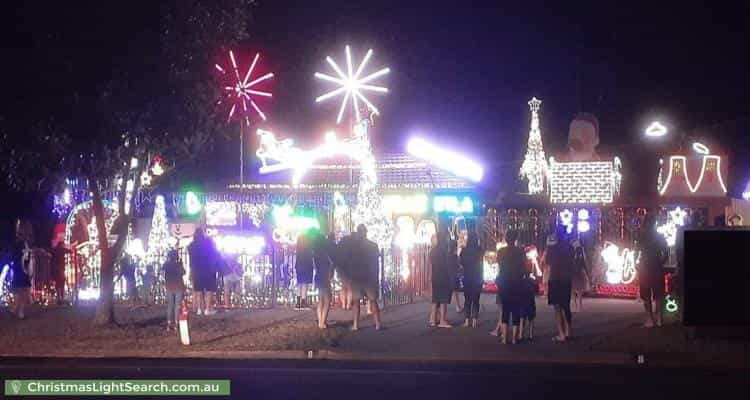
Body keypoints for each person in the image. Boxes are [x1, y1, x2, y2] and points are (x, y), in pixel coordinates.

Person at [545, 226, 576, 342]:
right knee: (566, 306)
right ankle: (569, 331)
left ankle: (561, 333)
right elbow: (573, 262)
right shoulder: (570, 248)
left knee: (557, 307)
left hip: (555, 279)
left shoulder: (552, 248)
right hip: (566, 279)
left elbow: (547, 263)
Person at [350, 224, 382, 331]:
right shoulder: (373, 245)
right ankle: (377, 324)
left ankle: (355, 324)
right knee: (373, 300)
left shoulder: (354, 247)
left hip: (357, 277)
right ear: (366, 232)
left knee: (356, 301)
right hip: (369, 277)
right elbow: (376, 262)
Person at [638, 213, 669, 328]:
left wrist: (638, 264)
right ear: (654, 223)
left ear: (645, 223)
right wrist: (661, 262)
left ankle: (650, 320)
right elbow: (666, 252)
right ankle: (660, 319)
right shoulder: (660, 236)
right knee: (659, 294)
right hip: (656, 266)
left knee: (646, 295)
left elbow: (636, 251)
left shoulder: (641, 236)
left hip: (645, 266)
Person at [497, 230, 525, 344]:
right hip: (517, 282)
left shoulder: (501, 251)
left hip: (504, 282)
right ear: (515, 239)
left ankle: (504, 338)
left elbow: (499, 265)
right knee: (516, 310)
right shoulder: (520, 251)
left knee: (505, 310)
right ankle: (514, 338)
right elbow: (523, 266)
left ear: (506, 238)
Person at [189, 228, 219, 316]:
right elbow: (214, 254)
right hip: (208, 269)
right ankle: (207, 308)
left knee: (198, 290)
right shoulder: (207, 244)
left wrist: (191, 271)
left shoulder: (192, 246)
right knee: (208, 290)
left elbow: (191, 261)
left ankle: (199, 309)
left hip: (197, 270)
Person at [429, 230, 454, 328]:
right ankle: (442, 320)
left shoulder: (433, 251)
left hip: (435, 276)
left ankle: (433, 319)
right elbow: (447, 265)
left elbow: (431, 265)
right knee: (443, 300)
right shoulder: (444, 251)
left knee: (435, 299)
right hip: (443, 276)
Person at [10, 220, 33, 319]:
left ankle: (19, 309)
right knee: (20, 289)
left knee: (24, 289)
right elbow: (15, 255)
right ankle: (17, 309)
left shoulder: (26, 243)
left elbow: (28, 255)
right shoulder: (17, 244)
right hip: (19, 268)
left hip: (25, 269)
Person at [459, 231, 483, 328]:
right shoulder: (479, 250)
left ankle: (466, 320)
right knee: (476, 299)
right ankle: (474, 321)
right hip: (477, 276)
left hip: (467, 276)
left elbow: (461, 262)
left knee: (467, 298)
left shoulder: (464, 251)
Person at [314, 232, 334, 329]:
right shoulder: (325, 253)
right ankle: (322, 322)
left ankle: (320, 322)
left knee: (320, 300)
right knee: (327, 300)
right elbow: (330, 264)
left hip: (318, 275)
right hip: (324, 276)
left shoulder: (315, 253)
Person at [164, 249, 185, 331]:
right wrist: (181, 264)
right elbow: (183, 272)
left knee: (170, 305)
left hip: (169, 286)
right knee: (177, 306)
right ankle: (176, 323)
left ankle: (169, 324)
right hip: (178, 286)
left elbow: (163, 274)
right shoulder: (178, 264)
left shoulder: (166, 265)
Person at [294, 233, 315, 310]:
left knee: (300, 283)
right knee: (305, 284)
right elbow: (311, 257)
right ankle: (303, 301)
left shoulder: (298, 248)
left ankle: (298, 302)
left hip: (299, 266)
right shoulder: (308, 248)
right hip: (307, 266)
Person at [571, 239, 590, 312]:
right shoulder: (581, 251)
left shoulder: (574, 251)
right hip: (579, 271)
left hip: (575, 272)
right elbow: (584, 262)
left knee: (574, 290)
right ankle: (579, 306)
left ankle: (576, 306)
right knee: (578, 290)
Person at [50, 241, 69, 305]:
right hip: (60, 268)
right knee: (62, 283)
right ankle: (62, 297)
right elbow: (69, 251)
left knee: (58, 284)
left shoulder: (55, 250)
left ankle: (59, 298)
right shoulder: (61, 250)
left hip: (55, 269)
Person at [449, 237, 463, 313]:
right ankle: (457, 306)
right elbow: (459, 266)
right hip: (454, 275)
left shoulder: (448, 256)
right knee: (455, 292)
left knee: (452, 292)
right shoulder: (455, 257)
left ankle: (457, 306)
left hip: (449, 275)